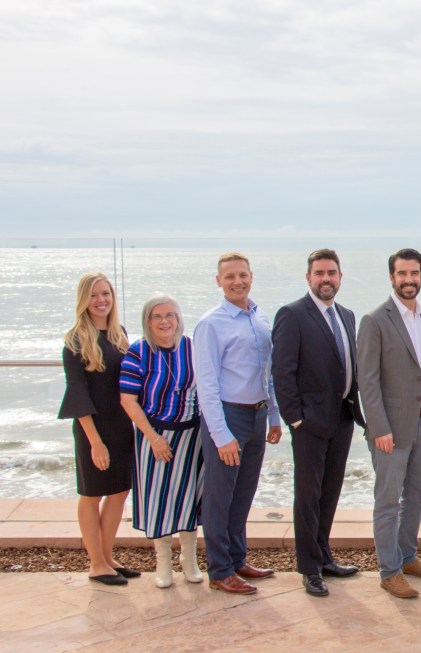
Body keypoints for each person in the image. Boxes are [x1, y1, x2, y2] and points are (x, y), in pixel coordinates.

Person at [272, 249, 365, 598]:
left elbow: (348, 365)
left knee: (330, 492)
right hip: (309, 423)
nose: (326, 279)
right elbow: (282, 371)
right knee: (308, 496)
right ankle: (309, 568)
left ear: (340, 277)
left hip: (342, 418)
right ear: (309, 278)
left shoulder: (347, 315)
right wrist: (295, 418)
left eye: (332, 273)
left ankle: (324, 556)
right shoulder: (292, 314)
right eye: (320, 273)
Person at [194, 253, 282, 595]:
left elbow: (268, 372)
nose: (237, 282)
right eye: (229, 276)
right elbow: (206, 384)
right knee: (220, 496)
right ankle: (220, 570)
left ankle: (237, 558)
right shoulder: (211, 324)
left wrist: (273, 415)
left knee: (244, 492)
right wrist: (221, 435)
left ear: (251, 276)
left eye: (242, 275)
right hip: (228, 417)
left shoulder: (260, 318)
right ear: (218, 281)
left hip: (257, 415)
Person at [357, 248, 421, 599]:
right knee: (388, 502)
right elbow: (367, 381)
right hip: (390, 430)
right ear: (392, 277)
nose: (409, 279)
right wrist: (379, 428)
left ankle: (408, 557)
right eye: (402, 273)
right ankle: (389, 571)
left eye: (415, 273)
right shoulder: (375, 320)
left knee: (417, 496)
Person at [119, 294, 205, 588]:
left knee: (190, 498)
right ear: (148, 321)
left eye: (170, 315)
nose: (165, 321)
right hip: (155, 436)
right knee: (159, 500)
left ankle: (189, 559)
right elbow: (128, 400)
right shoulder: (139, 352)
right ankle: (163, 562)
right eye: (157, 316)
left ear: (178, 319)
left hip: (192, 436)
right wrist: (154, 438)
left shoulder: (193, 347)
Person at [58, 273, 137, 586]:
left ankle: (107, 557)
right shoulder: (74, 341)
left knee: (120, 490)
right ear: (83, 300)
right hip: (92, 427)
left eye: (105, 293)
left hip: (121, 424)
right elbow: (77, 393)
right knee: (92, 493)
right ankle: (96, 564)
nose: (101, 300)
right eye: (93, 295)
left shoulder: (119, 333)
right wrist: (95, 442)